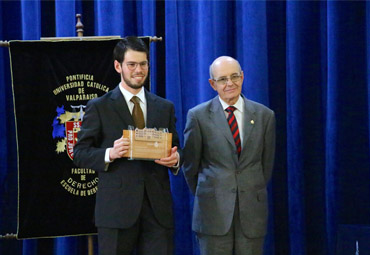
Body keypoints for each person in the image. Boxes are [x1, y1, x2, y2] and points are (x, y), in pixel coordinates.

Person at [73, 36, 181, 255]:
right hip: (116, 212)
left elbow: (177, 147)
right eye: (131, 64)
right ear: (118, 66)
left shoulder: (164, 107)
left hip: (157, 212)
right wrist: (110, 153)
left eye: (143, 64)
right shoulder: (99, 107)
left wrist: (176, 160)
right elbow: (80, 154)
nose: (138, 70)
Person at [182, 56, 275, 255]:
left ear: (242, 77)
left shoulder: (265, 116)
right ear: (212, 84)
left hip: (251, 213)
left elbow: (266, 166)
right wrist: (211, 193)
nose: (230, 83)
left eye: (234, 77)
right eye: (223, 79)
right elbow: (190, 167)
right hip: (212, 213)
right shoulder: (197, 116)